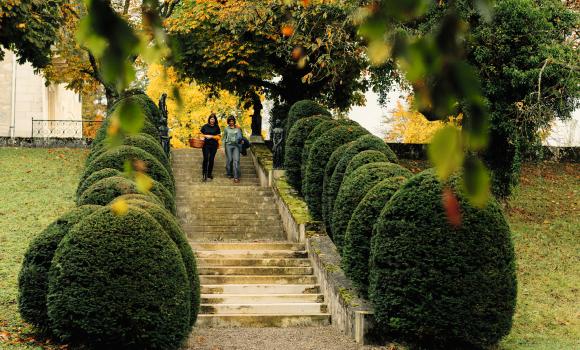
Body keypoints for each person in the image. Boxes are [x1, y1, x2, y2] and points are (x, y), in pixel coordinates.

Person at [223, 115, 243, 183]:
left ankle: (236, 177)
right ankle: (229, 173)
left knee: (236, 161)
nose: (231, 122)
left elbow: (240, 137)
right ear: (228, 122)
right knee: (230, 160)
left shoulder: (238, 128)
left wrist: (241, 140)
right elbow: (224, 138)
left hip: (236, 146)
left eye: (232, 121)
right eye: (230, 121)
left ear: (234, 121)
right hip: (228, 145)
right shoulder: (226, 129)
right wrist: (223, 147)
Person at [200, 113, 221, 181]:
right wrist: (204, 136)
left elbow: (218, 136)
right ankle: (204, 174)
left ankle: (209, 174)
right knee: (206, 158)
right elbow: (200, 134)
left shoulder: (217, 127)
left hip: (214, 145)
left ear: (215, 120)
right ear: (209, 119)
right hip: (206, 145)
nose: (212, 120)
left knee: (211, 159)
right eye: (211, 119)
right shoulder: (205, 126)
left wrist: (211, 136)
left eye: (213, 119)